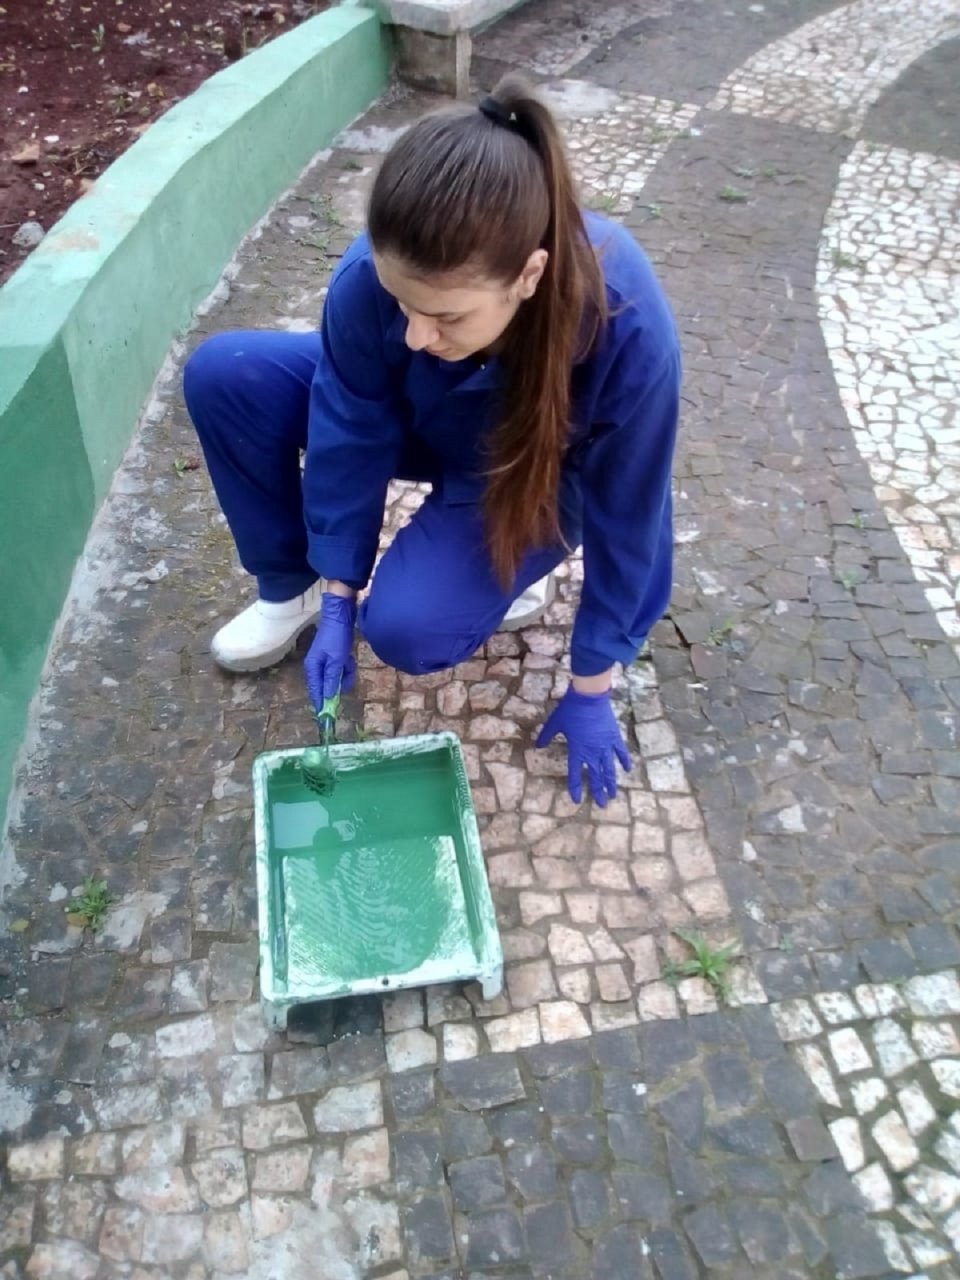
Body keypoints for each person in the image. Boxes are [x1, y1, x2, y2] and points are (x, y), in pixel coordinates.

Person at [183, 74, 680, 808]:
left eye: (445, 316)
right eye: (402, 306)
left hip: (529, 467)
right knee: (229, 376)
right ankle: (285, 593)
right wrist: (339, 591)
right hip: (425, 415)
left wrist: (594, 678)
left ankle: (518, 563)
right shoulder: (375, 278)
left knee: (411, 630)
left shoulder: (626, 329)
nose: (416, 333)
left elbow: (633, 513)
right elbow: (349, 428)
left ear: (529, 276)